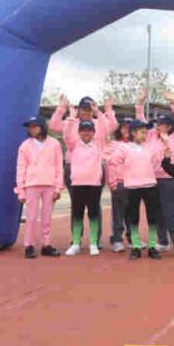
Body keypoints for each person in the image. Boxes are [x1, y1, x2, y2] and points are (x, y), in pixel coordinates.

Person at [49, 95, 117, 246]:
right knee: (76, 204)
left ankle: (95, 239)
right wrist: (62, 109)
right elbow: (53, 126)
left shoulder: (99, 123)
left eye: (89, 109)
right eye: (83, 109)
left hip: (94, 167)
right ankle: (76, 239)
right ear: (78, 110)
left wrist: (105, 110)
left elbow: (112, 126)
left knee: (95, 204)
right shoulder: (72, 122)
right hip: (73, 167)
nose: (86, 113)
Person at [136, 90, 174, 254]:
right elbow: (141, 123)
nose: (158, 126)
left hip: (169, 180)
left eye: (161, 124)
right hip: (152, 179)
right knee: (157, 212)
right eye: (157, 124)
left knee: (170, 212)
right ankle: (162, 241)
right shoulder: (150, 137)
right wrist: (140, 104)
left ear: (169, 126)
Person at [107, 119, 162, 260]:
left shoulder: (149, 148)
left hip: (150, 185)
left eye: (146, 132)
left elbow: (156, 162)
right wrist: (113, 181)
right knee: (133, 218)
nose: (145, 135)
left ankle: (152, 246)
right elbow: (112, 162)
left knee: (152, 217)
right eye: (142, 132)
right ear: (133, 133)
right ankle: (136, 246)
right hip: (132, 187)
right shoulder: (124, 148)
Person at [14, 115, 63, 259]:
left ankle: (46, 245)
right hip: (32, 185)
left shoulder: (54, 144)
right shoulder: (25, 146)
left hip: (49, 185)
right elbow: (21, 168)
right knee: (31, 217)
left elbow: (59, 166)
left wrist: (58, 187)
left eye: (34, 126)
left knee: (47, 218)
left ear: (42, 127)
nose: (31, 129)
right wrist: (20, 190)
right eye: (30, 127)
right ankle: (29, 245)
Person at [63, 116, 108, 256]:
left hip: (94, 184)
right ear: (79, 132)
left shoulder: (99, 145)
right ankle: (76, 243)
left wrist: (98, 112)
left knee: (93, 214)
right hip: (77, 184)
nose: (86, 133)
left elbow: (105, 128)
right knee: (77, 214)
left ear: (94, 132)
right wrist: (70, 117)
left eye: (89, 130)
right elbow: (66, 135)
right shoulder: (73, 145)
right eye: (83, 130)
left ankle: (93, 243)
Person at [104, 117, 134, 252]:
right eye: (124, 127)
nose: (127, 130)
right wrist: (112, 182)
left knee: (132, 213)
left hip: (134, 184)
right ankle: (116, 239)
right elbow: (110, 164)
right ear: (119, 129)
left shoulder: (137, 145)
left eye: (129, 127)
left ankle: (133, 238)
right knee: (118, 213)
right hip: (119, 184)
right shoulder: (113, 145)